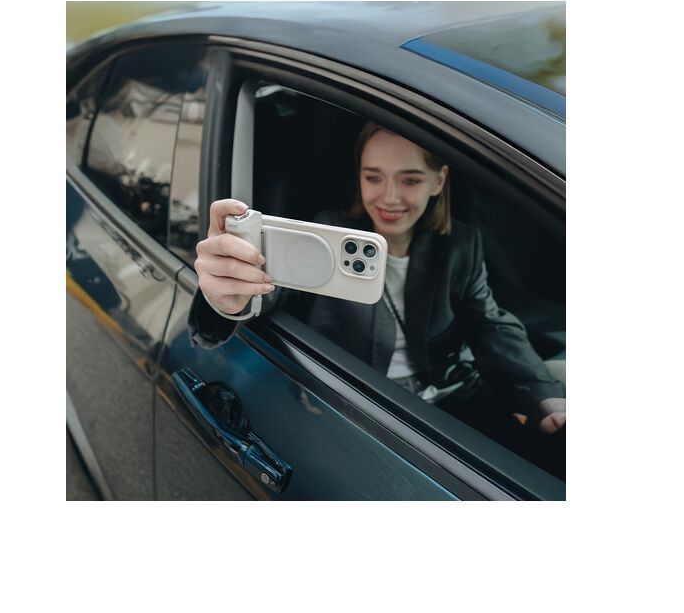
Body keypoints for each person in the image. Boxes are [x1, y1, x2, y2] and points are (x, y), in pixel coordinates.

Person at [189, 123, 566, 449]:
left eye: (410, 180)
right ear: (359, 177)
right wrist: (228, 296)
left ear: (438, 181)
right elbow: (266, 288)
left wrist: (543, 395)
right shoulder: (325, 235)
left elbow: (489, 324)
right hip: (364, 412)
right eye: (373, 177)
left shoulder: (460, 246)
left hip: (451, 402)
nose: (389, 197)